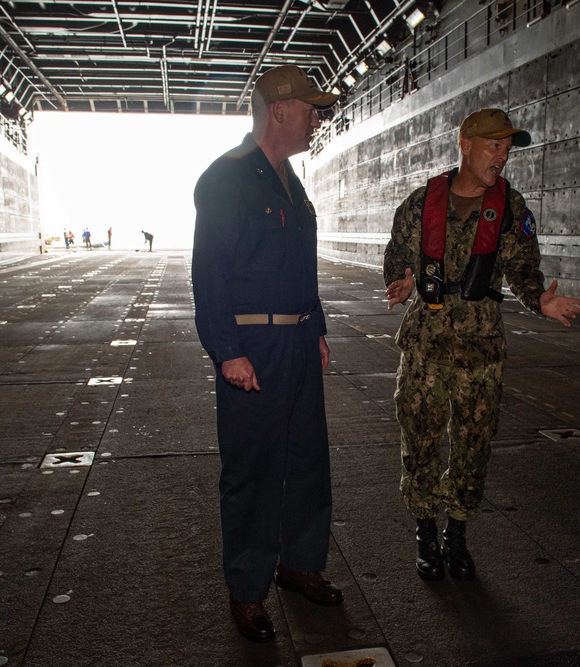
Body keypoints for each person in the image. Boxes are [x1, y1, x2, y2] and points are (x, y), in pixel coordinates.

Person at [383, 109, 580, 582]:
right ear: (466, 143)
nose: (502, 156)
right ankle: (425, 532)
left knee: (474, 447)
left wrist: (541, 301)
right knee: (420, 443)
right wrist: (400, 280)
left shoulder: (512, 209)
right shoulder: (420, 203)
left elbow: (522, 271)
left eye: (508, 148)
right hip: (425, 349)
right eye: (494, 145)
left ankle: (457, 532)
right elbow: (396, 252)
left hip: (481, 351)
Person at [191, 64, 344, 643]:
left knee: (307, 461)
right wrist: (227, 351)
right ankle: (248, 589)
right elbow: (208, 274)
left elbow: (300, 266)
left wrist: (319, 326)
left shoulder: (289, 181)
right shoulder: (226, 179)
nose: (317, 119)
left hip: (300, 340)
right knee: (253, 469)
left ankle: (299, 563)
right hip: (253, 344)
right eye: (310, 109)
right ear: (278, 110)